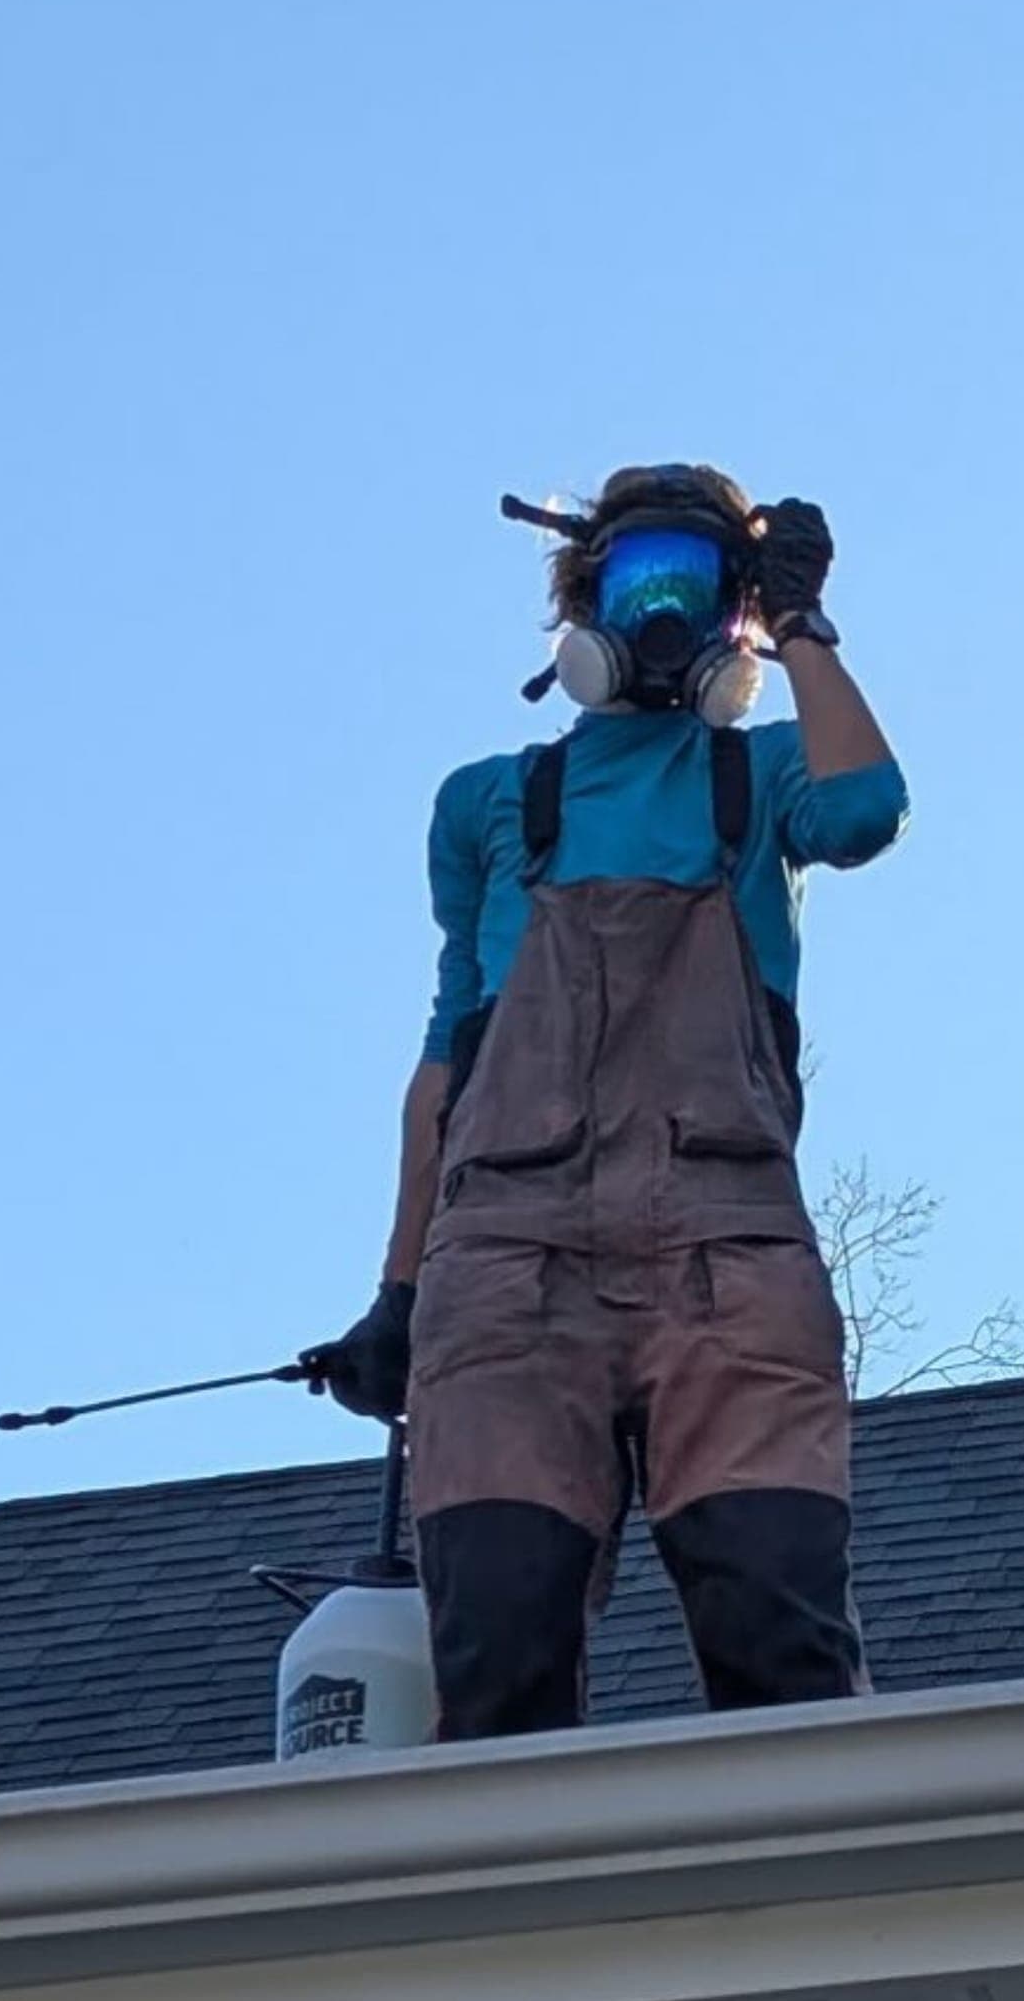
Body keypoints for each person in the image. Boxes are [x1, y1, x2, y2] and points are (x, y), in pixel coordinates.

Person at [301, 463, 908, 1740]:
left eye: (697, 580)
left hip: (726, 1249)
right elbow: (446, 1066)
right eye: (640, 579)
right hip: (506, 1262)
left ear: (735, 610)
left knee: (778, 1633)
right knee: (500, 1644)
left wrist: (803, 628)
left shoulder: (762, 780)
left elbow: (865, 809)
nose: (663, 611)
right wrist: (399, 1290)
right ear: (585, 599)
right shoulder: (491, 806)